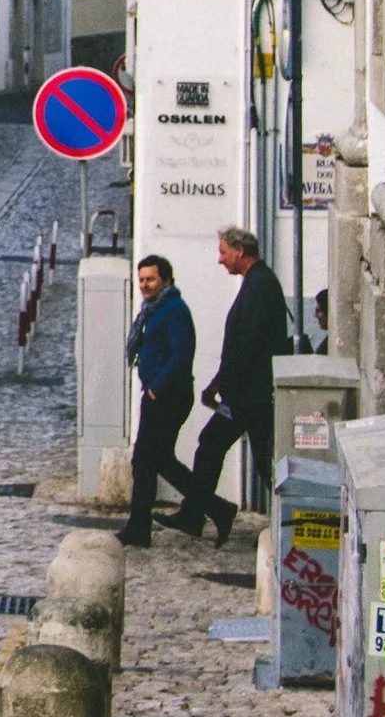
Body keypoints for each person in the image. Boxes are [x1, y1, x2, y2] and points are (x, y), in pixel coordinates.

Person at [162, 226, 291, 546]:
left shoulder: (260, 285)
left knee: (235, 451)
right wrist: (219, 381)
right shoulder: (258, 281)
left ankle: (208, 514)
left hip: (251, 394)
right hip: (247, 392)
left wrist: (224, 385)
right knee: (248, 454)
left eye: (223, 253)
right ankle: (204, 514)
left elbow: (248, 344)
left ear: (240, 251)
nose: (220, 260)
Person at [119, 253, 197, 548]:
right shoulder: (153, 310)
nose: (145, 285)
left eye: (150, 279)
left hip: (167, 397)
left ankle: (139, 529)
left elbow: (181, 355)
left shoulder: (174, 310)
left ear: (165, 280)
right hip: (157, 395)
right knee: (155, 461)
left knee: (146, 461)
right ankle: (215, 508)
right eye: (141, 279)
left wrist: (156, 387)